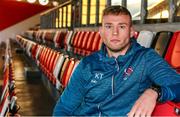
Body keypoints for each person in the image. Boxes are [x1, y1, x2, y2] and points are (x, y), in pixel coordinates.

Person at [53, 5, 180, 116]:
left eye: (122, 26)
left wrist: (155, 92)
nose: (115, 33)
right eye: (109, 27)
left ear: (131, 32)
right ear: (101, 32)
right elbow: (64, 108)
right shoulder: (88, 64)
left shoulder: (145, 59)